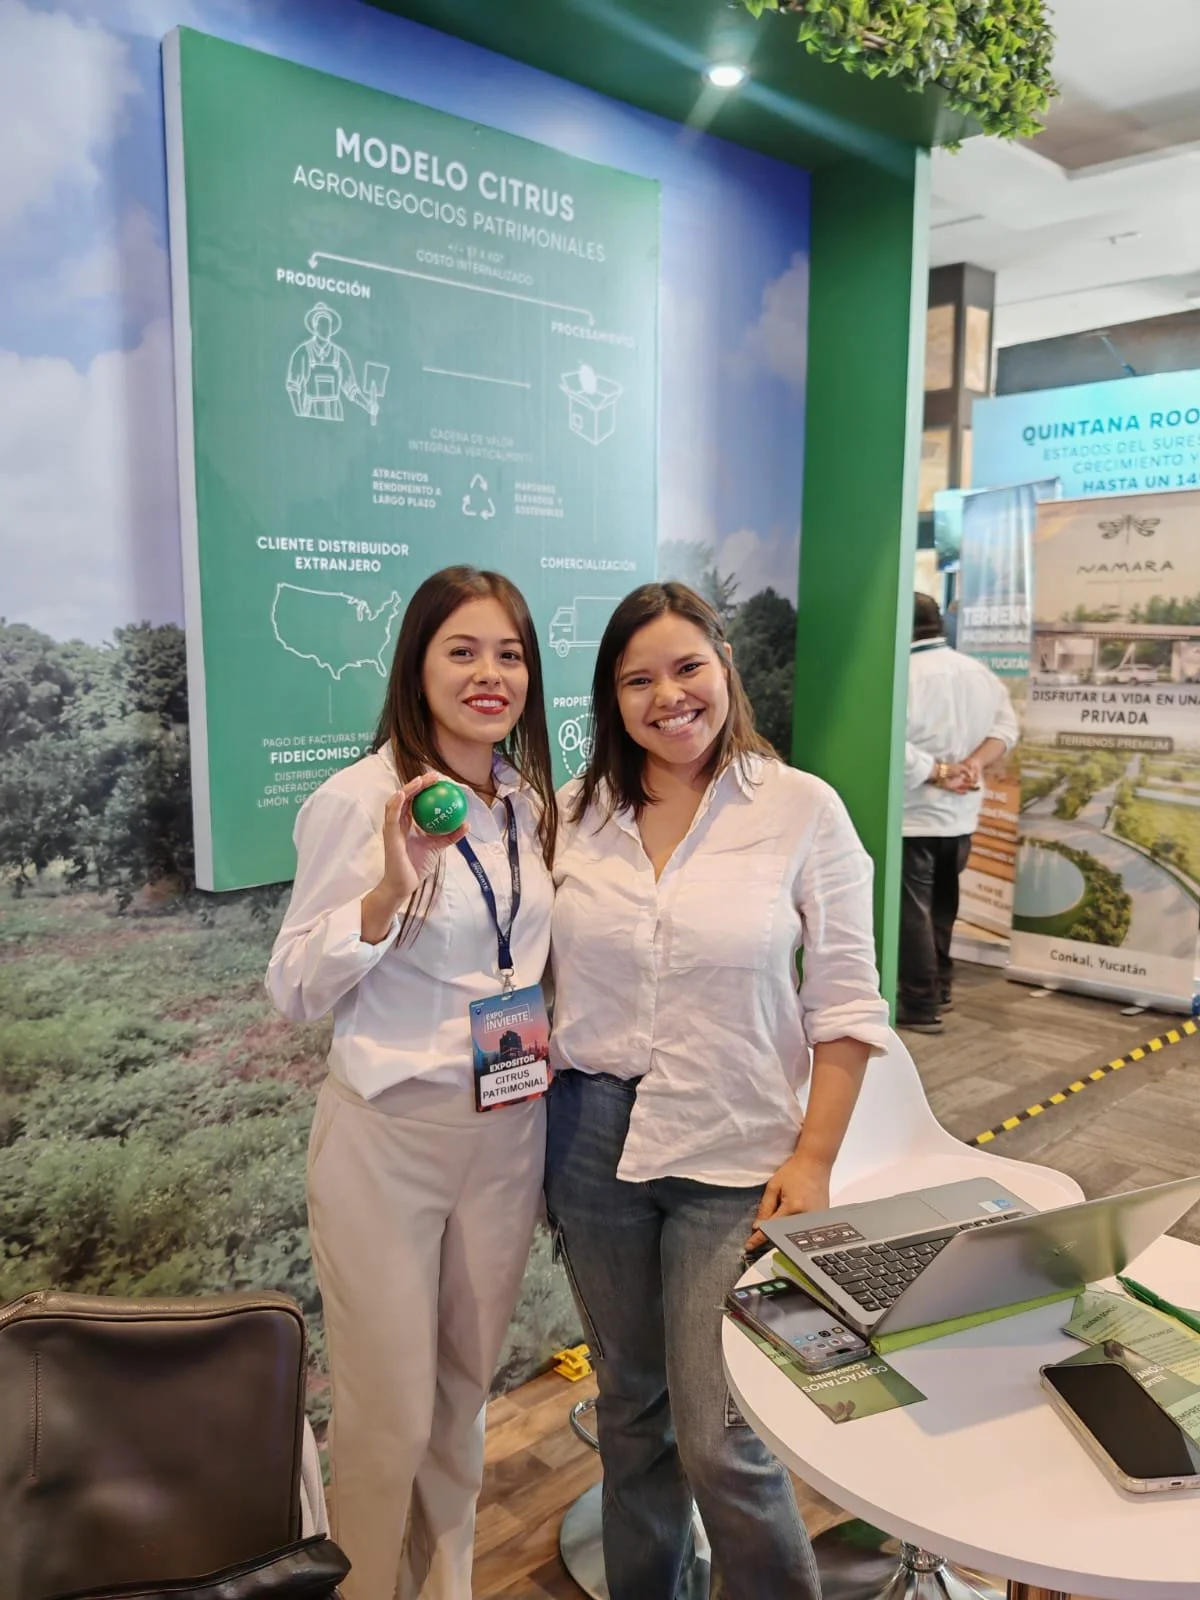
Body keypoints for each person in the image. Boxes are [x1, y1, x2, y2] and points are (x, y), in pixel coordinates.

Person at [544, 581, 889, 1600]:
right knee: (630, 1411)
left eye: (686, 666)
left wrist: (814, 1155)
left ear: (725, 663)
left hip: (737, 1149)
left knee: (724, 1433)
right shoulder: (577, 811)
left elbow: (846, 1002)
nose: (668, 696)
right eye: (637, 678)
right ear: (612, 696)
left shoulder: (798, 808)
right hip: (588, 1140)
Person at [266, 567, 556, 1600]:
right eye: (462, 651)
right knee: (386, 1412)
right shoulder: (359, 799)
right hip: (391, 1136)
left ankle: (446, 1586)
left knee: (462, 1394)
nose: (490, 674)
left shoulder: (524, 799)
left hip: (507, 1130)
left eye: (510, 653)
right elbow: (294, 986)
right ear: (417, 665)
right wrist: (391, 890)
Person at [900, 592, 1018, 1034]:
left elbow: (892, 745)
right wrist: (973, 766)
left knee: (912, 911)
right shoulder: (979, 673)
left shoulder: (901, 677)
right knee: (944, 905)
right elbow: (1006, 730)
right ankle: (941, 986)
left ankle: (919, 1001)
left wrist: (940, 771)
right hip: (962, 815)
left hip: (913, 816)